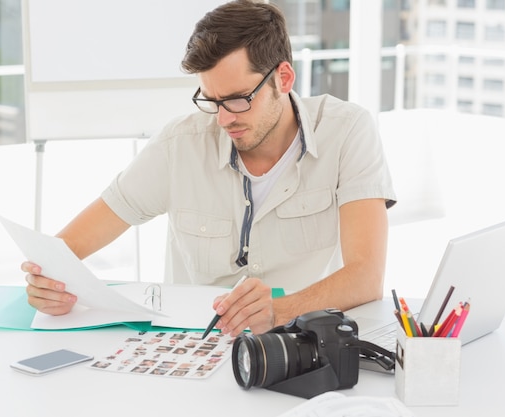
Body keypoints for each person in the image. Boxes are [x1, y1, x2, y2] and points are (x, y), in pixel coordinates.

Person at [22, 0, 396, 337]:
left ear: (283, 78)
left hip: (300, 345)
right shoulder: (179, 145)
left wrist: (277, 312)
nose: (222, 120)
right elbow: (65, 249)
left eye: (236, 100)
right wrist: (48, 283)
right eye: (211, 100)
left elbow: (365, 277)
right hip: (192, 352)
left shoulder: (347, 131)